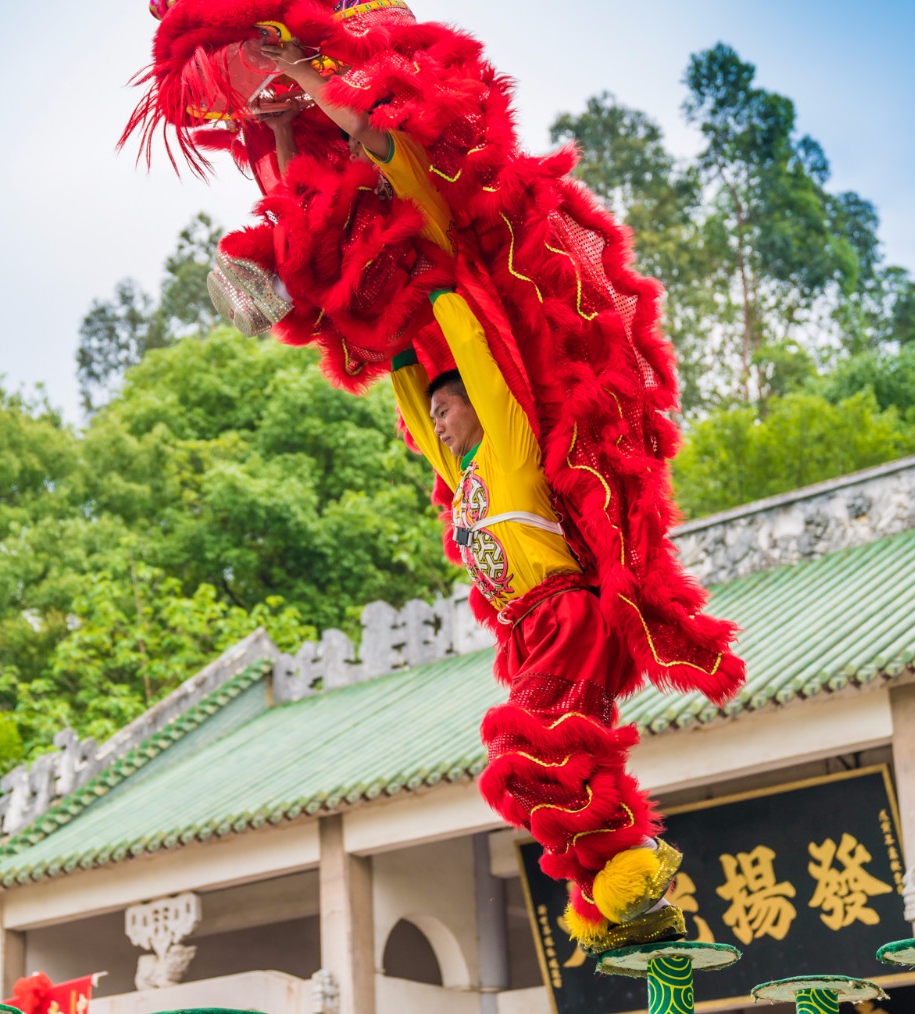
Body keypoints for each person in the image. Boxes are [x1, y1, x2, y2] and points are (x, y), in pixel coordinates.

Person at [263, 37, 686, 953]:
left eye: (449, 409)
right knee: (538, 762)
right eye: (438, 414)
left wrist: (445, 291)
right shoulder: (463, 471)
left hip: (566, 614)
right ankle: (616, 887)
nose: (439, 425)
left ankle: (629, 875)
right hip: (535, 628)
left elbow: (472, 356)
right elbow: (407, 373)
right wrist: (286, 130)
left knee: (531, 750)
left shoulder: (509, 440)